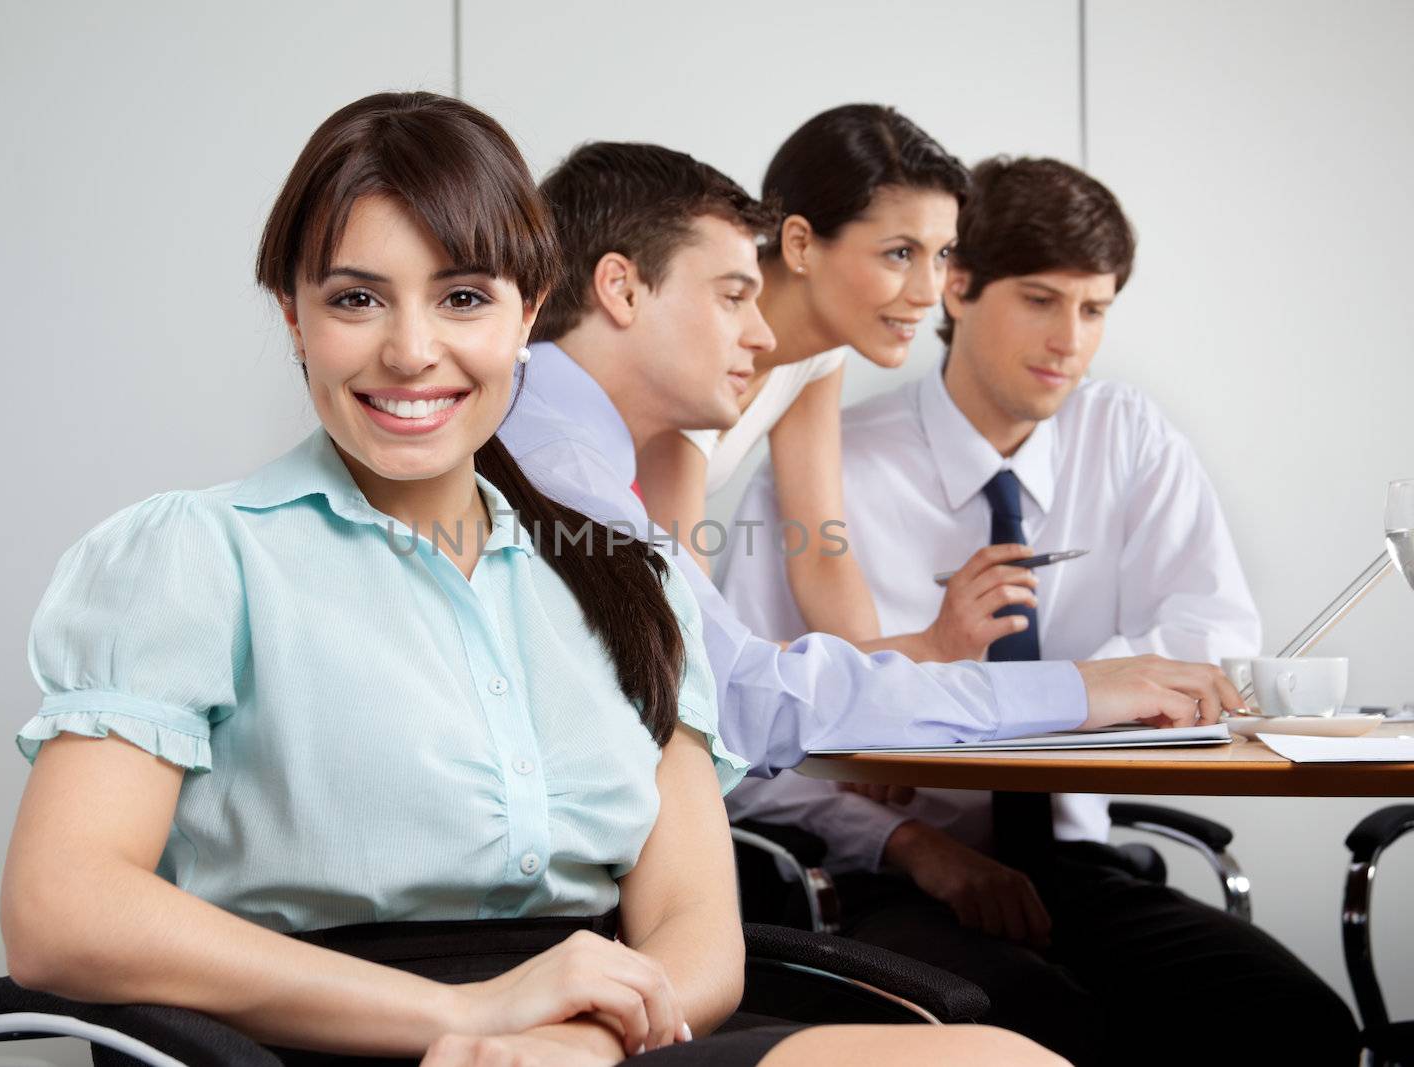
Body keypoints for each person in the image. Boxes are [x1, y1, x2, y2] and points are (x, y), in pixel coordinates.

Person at [0, 92, 1064, 1067]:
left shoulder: (627, 571)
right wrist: (464, 1015)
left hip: (601, 1038)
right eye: (357, 298)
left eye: (462, 296)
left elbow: (695, 928)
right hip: (327, 1039)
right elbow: (63, 910)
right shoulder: (196, 553)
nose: (412, 351)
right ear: (294, 316)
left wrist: (580, 1039)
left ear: (526, 310)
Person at [716, 156, 1360, 1066]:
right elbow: (742, 733)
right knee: (1041, 1023)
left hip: (1072, 865)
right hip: (886, 876)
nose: (1071, 340)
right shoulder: (831, 468)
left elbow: (1213, 635)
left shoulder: (1126, 436)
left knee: (1293, 1021)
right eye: (1041, 300)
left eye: (1094, 310)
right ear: (960, 287)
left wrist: (1082, 692)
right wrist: (909, 841)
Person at [499, 139, 1245, 792]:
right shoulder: (567, 468)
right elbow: (743, 688)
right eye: (732, 296)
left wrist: (909, 688)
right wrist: (1068, 689)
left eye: (941, 255)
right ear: (621, 288)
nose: (761, 337)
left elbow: (768, 647)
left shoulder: (570, 441)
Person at [638, 104, 1027, 662]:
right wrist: (927, 649)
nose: (928, 291)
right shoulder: (699, 348)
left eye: (941, 255)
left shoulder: (819, 351)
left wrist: (887, 686)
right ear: (799, 244)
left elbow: (821, 549)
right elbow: (696, 636)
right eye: (900, 253)